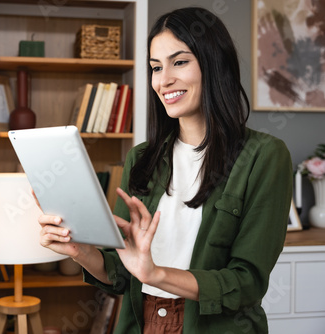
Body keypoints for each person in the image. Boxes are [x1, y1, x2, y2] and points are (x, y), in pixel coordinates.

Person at [38, 7, 293, 334]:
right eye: (156, 67)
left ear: (214, 64)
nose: (164, 79)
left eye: (180, 62)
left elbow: (246, 283)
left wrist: (156, 274)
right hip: (141, 322)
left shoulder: (264, 156)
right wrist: (81, 251)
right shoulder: (141, 158)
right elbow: (120, 273)